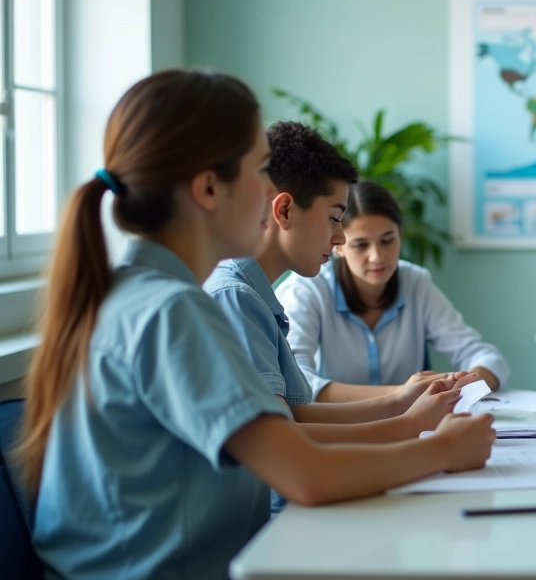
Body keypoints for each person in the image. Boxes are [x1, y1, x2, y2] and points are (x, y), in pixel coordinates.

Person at [18, 70, 494, 579]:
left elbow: (285, 427)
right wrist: (442, 449)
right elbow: (304, 474)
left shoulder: (143, 294)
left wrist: (409, 419)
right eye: (258, 171)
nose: (270, 194)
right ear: (208, 188)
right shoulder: (173, 311)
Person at [204, 121, 473, 513]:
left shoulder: (255, 293)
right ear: (283, 209)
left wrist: (400, 401)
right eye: (334, 217)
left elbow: (294, 414)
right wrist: (414, 427)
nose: (341, 238)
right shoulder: (236, 297)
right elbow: (287, 439)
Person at [277, 180, 510, 400]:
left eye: (387, 240)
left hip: (414, 428)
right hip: (337, 432)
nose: (377, 257)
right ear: (338, 245)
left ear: (400, 235)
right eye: (360, 245)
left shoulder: (415, 283)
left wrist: (462, 386)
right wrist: (402, 394)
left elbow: (488, 358)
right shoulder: (308, 290)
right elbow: (298, 382)